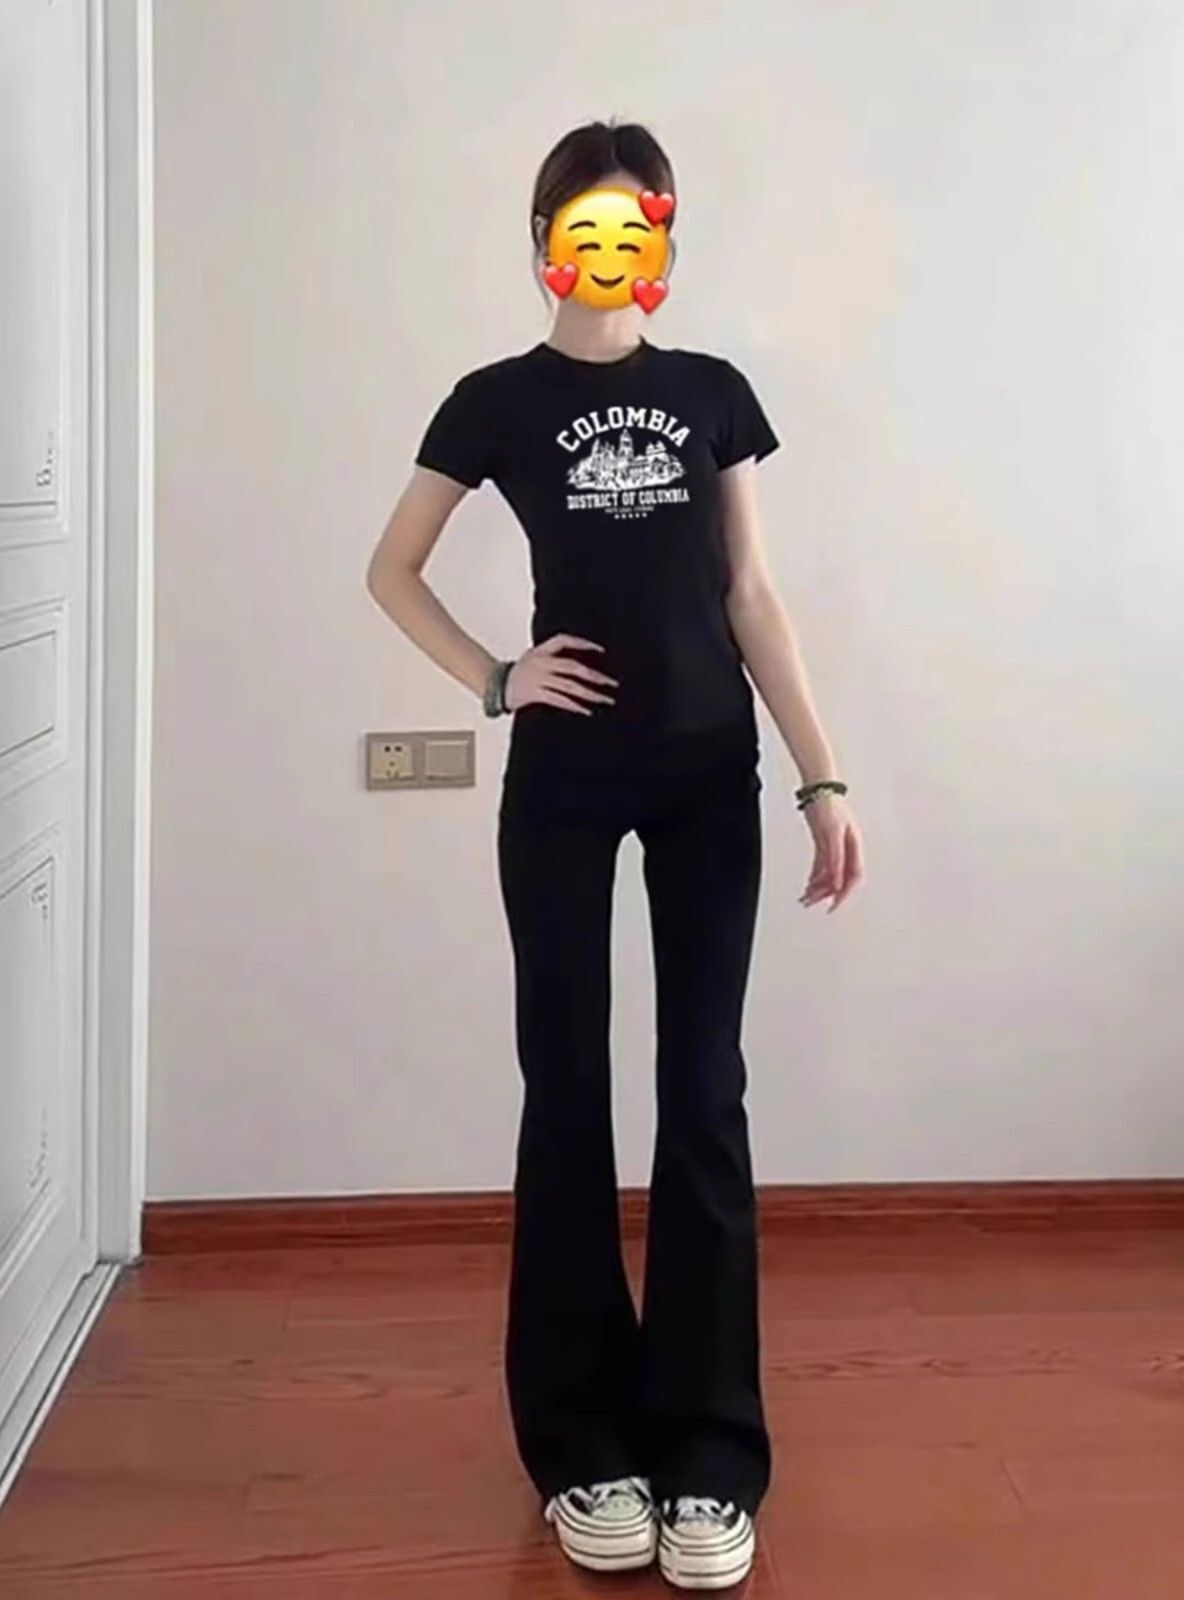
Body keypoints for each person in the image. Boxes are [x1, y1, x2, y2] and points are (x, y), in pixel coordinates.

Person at [366, 117, 865, 1591]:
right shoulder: (494, 401)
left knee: (703, 1094)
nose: (609, 246)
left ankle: (710, 1453)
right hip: (567, 785)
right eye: (583, 223)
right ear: (545, 241)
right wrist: (495, 677)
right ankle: (582, 1443)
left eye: (635, 222)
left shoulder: (713, 392)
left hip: (712, 775)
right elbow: (390, 567)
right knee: (567, 1091)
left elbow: (751, 593)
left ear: (661, 237)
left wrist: (823, 774)